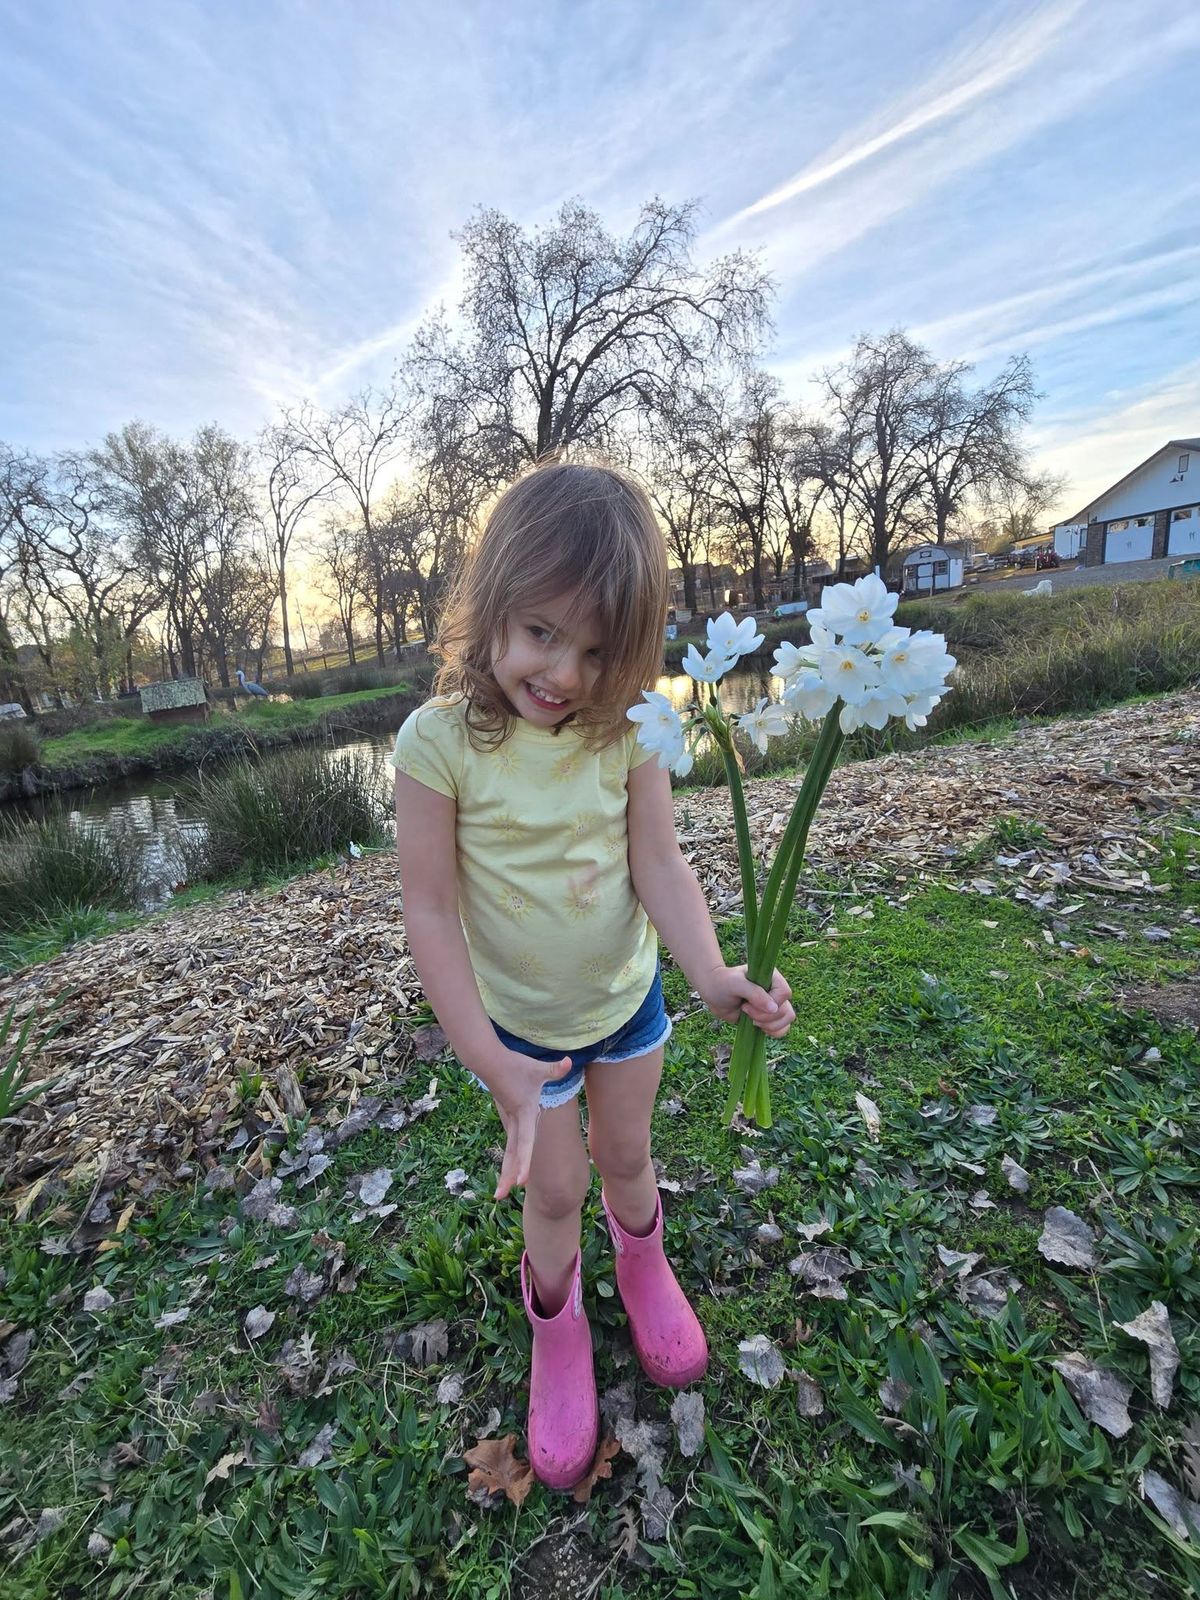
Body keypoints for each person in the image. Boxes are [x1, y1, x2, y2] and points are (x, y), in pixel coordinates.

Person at [391, 460, 795, 1489]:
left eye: (597, 650)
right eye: (540, 633)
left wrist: (709, 971)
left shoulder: (633, 730)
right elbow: (431, 911)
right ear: (488, 609)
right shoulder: (436, 744)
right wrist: (491, 1060)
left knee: (624, 1153)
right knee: (556, 1187)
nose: (564, 673)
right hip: (521, 1031)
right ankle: (558, 1329)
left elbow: (658, 860)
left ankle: (646, 1262)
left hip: (626, 1003)